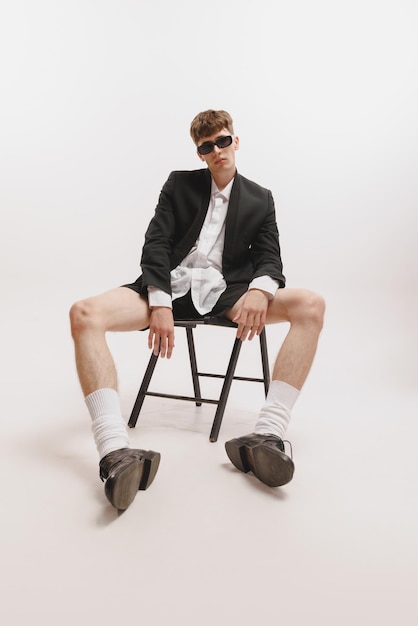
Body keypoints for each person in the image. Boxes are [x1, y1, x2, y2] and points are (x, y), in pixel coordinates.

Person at [70, 109, 325, 510]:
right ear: (200, 154)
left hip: (229, 294)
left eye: (223, 141)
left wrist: (260, 289)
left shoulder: (261, 198)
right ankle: (116, 451)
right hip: (168, 286)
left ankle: (267, 435)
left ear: (235, 141)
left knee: (311, 305)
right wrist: (159, 302)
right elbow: (155, 243)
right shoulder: (179, 185)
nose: (217, 150)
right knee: (83, 313)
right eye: (207, 147)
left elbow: (270, 258)